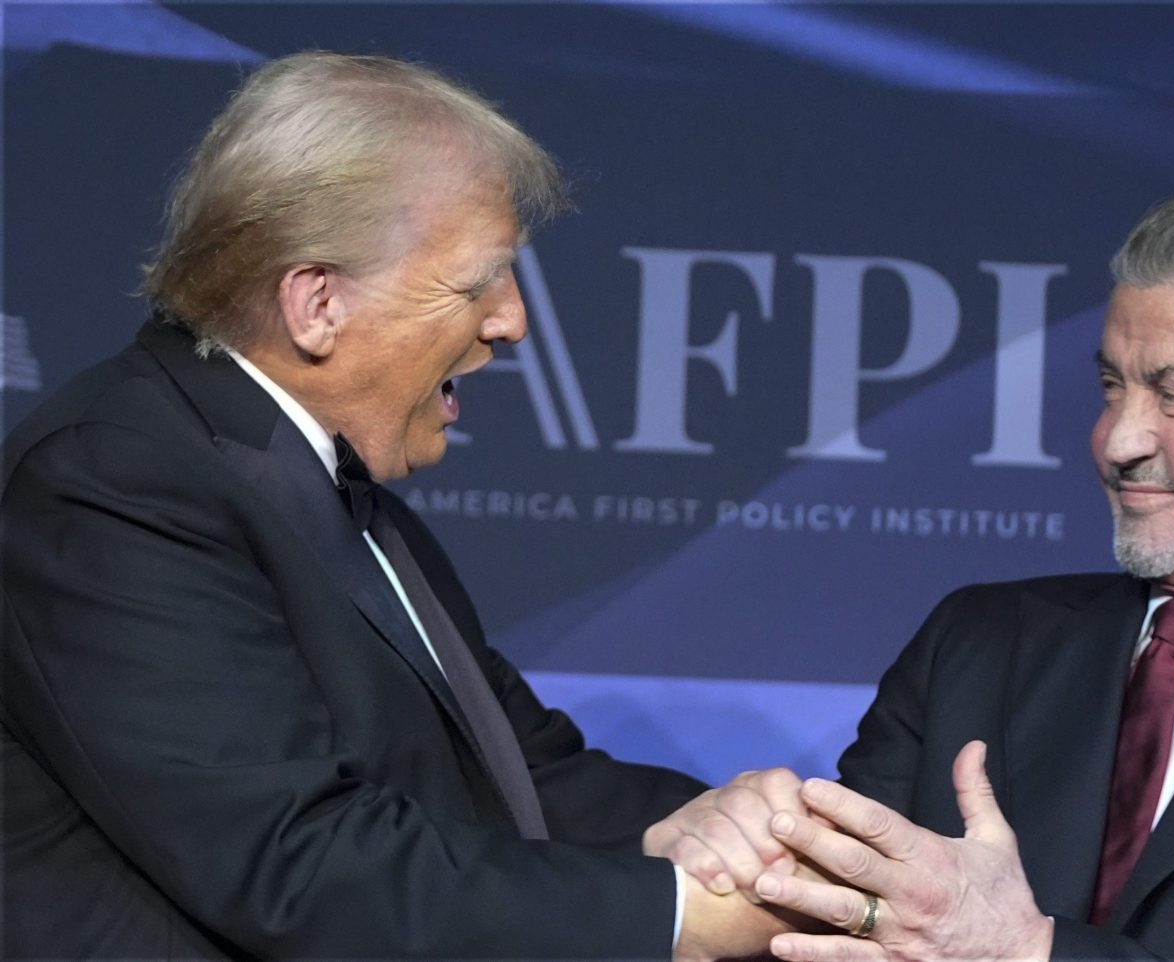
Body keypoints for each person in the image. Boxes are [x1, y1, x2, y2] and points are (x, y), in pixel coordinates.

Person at [0, 52, 782, 960]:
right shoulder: (113, 481)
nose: (511, 321)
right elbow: (293, 861)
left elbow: (523, 775)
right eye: (476, 281)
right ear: (317, 302)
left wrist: (712, 828)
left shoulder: (337, 493)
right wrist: (680, 917)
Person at [645, 193, 1174, 961]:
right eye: (1111, 387)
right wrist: (751, 849)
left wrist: (1029, 953)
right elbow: (827, 929)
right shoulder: (980, 643)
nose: (1120, 439)